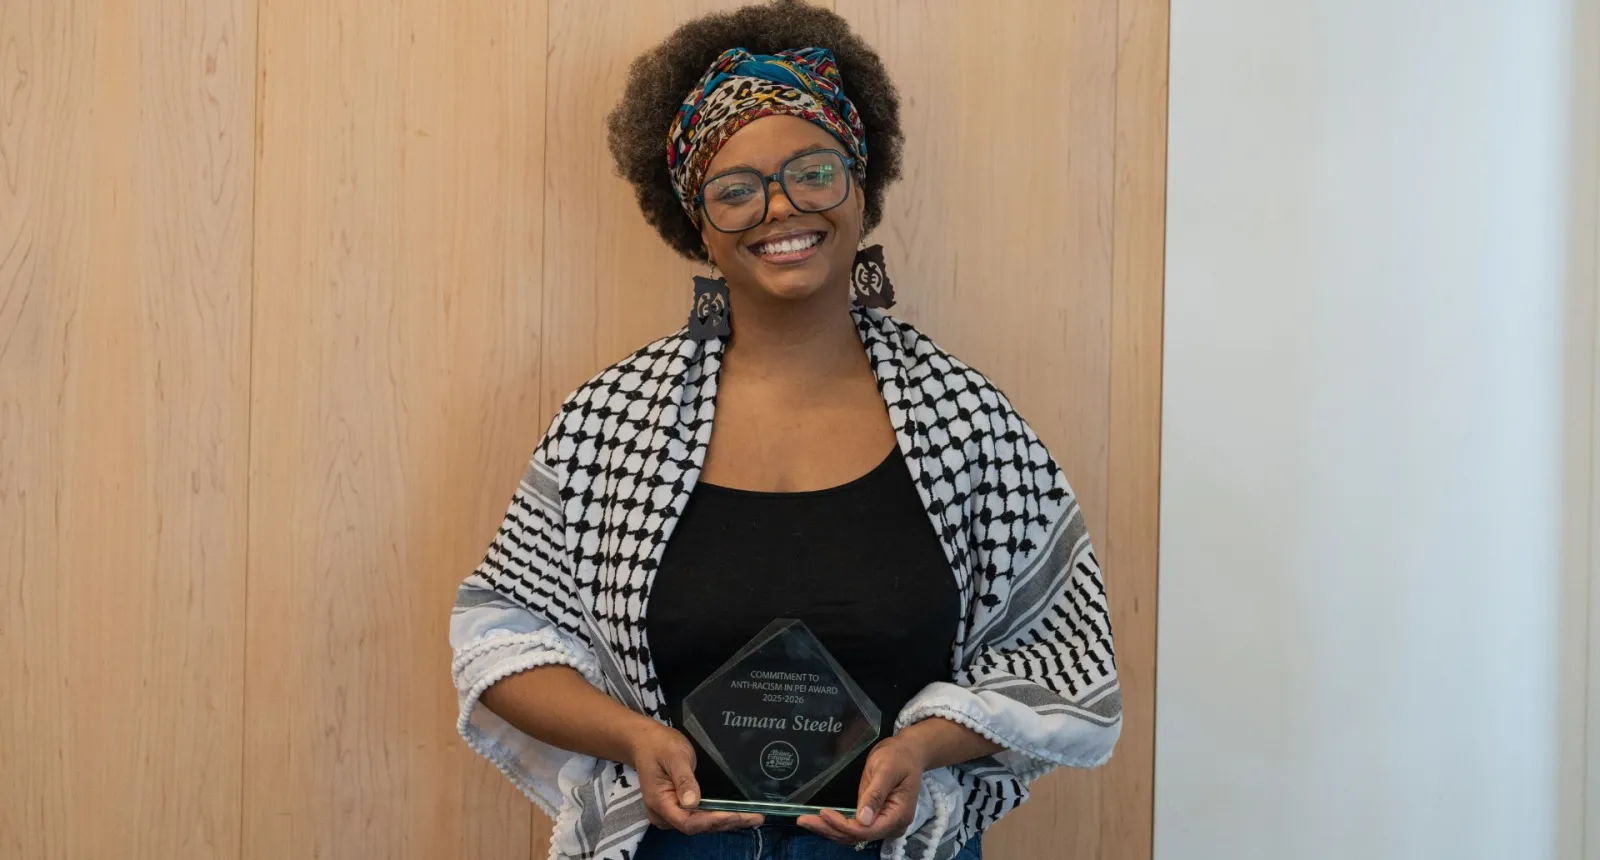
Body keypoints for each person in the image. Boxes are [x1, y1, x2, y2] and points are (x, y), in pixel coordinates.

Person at [448, 3, 1121, 858]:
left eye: (813, 171)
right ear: (697, 225)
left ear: (861, 186)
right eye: (734, 190)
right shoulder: (610, 424)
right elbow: (500, 632)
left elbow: (1063, 655)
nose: (780, 207)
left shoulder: (969, 424)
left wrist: (923, 746)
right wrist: (632, 738)